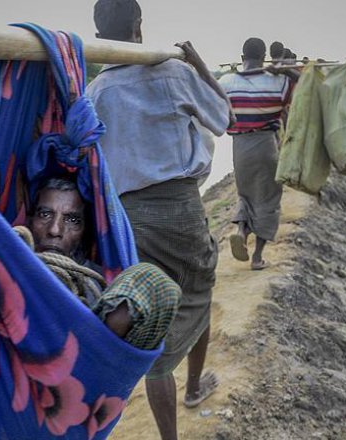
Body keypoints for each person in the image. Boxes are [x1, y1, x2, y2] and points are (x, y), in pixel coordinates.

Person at [86, 1, 233, 438]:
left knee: (154, 311)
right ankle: (190, 387)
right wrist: (199, 65)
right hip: (178, 209)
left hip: (127, 217)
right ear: (138, 26)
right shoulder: (173, 72)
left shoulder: (96, 92)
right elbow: (224, 119)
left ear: (99, 32)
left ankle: (169, 426)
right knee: (199, 290)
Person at [24, 177, 182, 350]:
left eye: (72, 220)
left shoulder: (101, 285)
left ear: (86, 231)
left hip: (85, 365)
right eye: (45, 214)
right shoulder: (6, 266)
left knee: (151, 279)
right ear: (30, 221)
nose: (55, 230)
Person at [218, 37, 295, 270]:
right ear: (265, 58)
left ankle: (241, 231)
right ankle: (257, 257)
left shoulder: (226, 82)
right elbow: (305, 92)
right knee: (269, 200)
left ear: (242, 59)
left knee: (246, 195)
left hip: (239, 148)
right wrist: (287, 71)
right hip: (265, 145)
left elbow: (220, 114)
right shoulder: (278, 82)